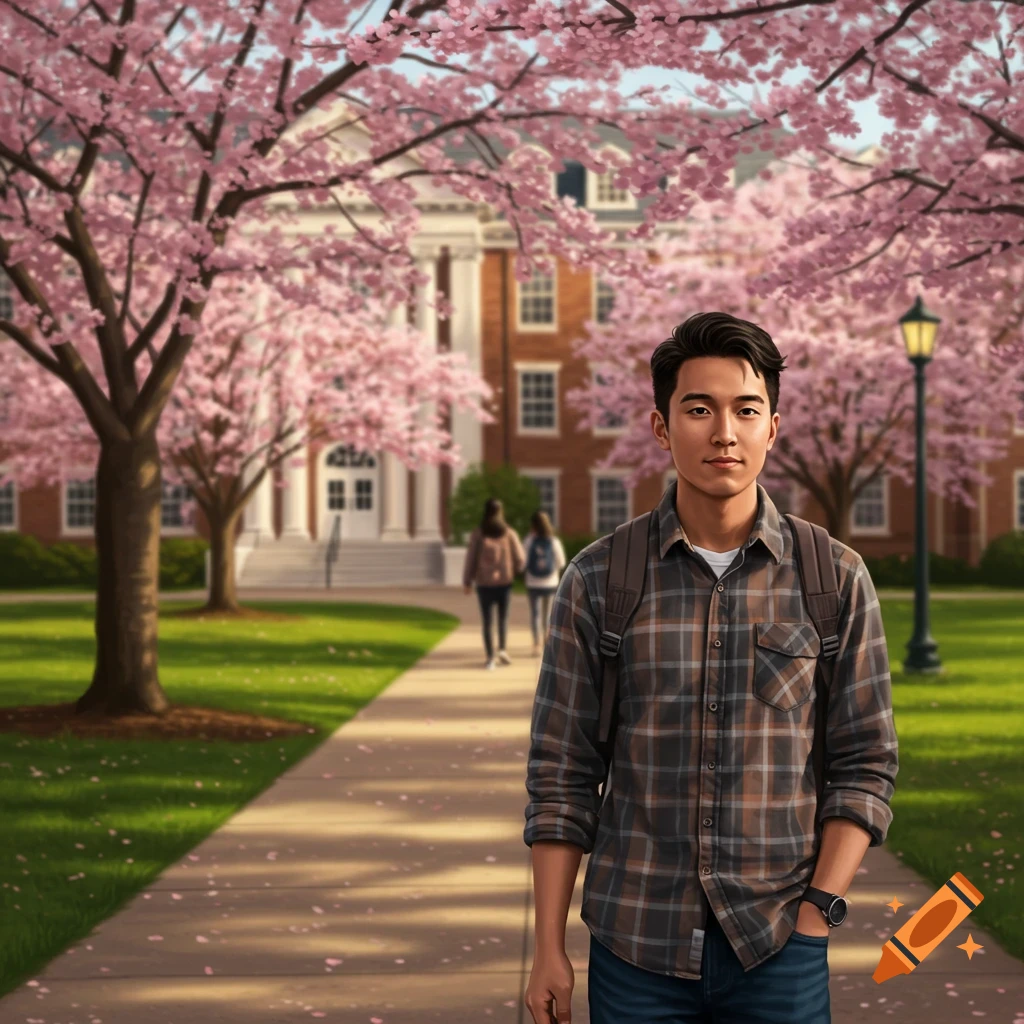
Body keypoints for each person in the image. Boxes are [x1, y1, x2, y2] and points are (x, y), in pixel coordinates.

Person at [522, 312, 898, 1024]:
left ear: (772, 427)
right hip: (636, 949)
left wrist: (818, 915)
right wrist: (548, 946)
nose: (723, 431)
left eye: (745, 410)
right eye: (699, 409)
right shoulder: (601, 579)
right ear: (663, 428)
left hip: (779, 945)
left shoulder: (833, 579)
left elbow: (866, 764)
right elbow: (561, 772)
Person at [462, 497, 525, 670]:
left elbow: (471, 558)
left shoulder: (478, 533)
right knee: (503, 618)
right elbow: (520, 557)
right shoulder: (509, 532)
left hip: (484, 583)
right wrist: (516, 571)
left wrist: (467, 581)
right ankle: (503, 649)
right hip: (505, 582)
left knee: (487, 621)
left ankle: (490, 657)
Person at [523, 510, 567, 656]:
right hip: (550, 582)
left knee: (535, 614)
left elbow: (523, 562)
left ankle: (536, 645)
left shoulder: (529, 541)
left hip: (533, 582)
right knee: (547, 614)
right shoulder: (553, 541)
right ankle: (546, 643)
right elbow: (561, 562)